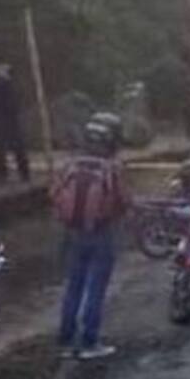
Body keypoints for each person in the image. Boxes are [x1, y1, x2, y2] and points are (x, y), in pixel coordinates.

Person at [53, 120, 131, 360]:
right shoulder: (111, 168)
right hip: (102, 232)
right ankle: (89, 341)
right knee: (95, 287)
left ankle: (65, 340)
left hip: (73, 232)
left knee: (73, 285)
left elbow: (54, 194)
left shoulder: (69, 166)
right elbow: (123, 199)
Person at [0, 63, 30, 183]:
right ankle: (22, 173)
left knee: (3, 149)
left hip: (3, 121)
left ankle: (4, 174)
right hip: (9, 121)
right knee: (14, 148)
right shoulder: (8, 86)